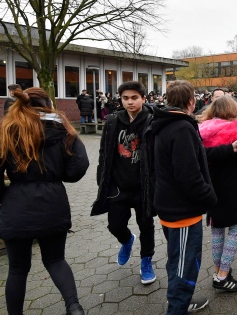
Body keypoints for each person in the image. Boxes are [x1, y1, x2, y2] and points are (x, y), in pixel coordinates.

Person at [0, 87, 89, 315]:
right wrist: (57, 176)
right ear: (48, 103)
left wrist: (5, 195)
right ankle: (74, 306)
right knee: (56, 260)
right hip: (53, 202)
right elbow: (79, 165)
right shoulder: (62, 128)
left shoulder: (8, 130)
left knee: (18, 269)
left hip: (17, 204)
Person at [149, 80, 218, 314]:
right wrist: (210, 197)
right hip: (182, 212)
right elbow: (188, 175)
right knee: (184, 267)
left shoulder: (164, 122)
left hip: (171, 207)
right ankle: (177, 308)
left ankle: (181, 303)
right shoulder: (181, 128)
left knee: (177, 261)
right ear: (191, 101)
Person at [91, 81, 156, 285]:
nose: (129, 102)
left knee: (146, 225)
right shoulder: (112, 121)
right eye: (125, 98)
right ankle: (127, 240)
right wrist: (102, 179)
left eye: (134, 97)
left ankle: (146, 261)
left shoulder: (153, 120)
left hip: (144, 186)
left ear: (143, 99)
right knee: (115, 225)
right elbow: (104, 152)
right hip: (118, 187)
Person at [197, 95, 237, 293]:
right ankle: (222, 276)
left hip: (210, 188)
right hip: (232, 188)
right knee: (235, 230)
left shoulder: (200, 132)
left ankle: (218, 271)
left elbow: (201, 156)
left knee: (217, 229)